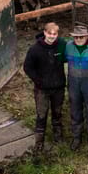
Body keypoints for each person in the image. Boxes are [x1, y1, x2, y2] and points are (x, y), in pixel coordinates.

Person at [23, 22, 66, 153]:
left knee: (57, 113)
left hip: (58, 87)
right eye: (50, 33)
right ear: (45, 33)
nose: (52, 36)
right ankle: (39, 143)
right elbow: (27, 67)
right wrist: (38, 81)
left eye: (55, 34)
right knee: (41, 115)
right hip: (42, 89)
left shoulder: (61, 45)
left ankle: (58, 138)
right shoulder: (35, 49)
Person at [65, 25, 88, 151]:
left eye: (81, 36)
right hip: (73, 82)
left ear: (87, 36)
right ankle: (77, 137)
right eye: (76, 37)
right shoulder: (68, 46)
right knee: (75, 110)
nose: (79, 39)